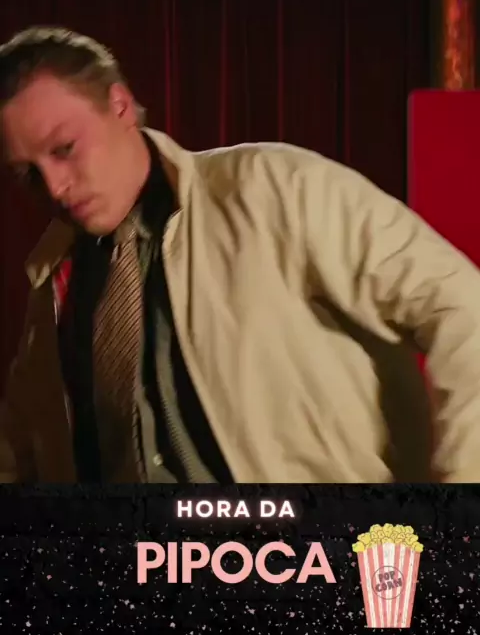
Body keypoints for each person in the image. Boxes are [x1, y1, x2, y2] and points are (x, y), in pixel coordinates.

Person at [0, 26, 478, 485]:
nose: (54, 187)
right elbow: (17, 446)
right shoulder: (54, 281)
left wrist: (460, 500)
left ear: (120, 105)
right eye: (27, 173)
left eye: (65, 148)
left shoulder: (274, 188)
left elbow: (460, 306)